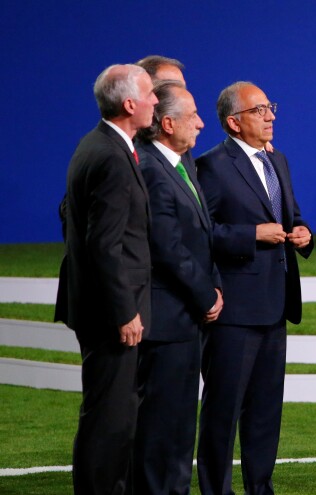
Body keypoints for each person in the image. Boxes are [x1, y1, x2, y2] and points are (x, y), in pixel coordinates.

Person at [196, 81, 314, 494]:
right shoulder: (211, 165)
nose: (271, 117)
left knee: (265, 412)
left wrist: (303, 234)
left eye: (270, 108)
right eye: (260, 110)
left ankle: (260, 488)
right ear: (234, 121)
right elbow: (201, 232)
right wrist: (250, 235)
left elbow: (291, 216)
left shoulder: (277, 159)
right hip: (234, 310)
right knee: (223, 410)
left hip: (275, 304)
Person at [55, 64, 157, 494]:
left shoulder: (95, 145)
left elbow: (69, 217)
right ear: (129, 104)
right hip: (110, 315)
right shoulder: (112, 157)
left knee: (110, 416)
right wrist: (124, 311)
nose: (156, 100)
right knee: (109, 421)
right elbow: (104, 245)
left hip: (98, 307)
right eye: (150, 94)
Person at [133, 80, 223, 494]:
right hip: (168, 321)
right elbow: (166, 246)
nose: (202, 124)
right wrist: (207, 295)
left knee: (181, 425)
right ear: (167, 123)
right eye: (193, 116)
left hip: (186, 321)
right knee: (161, 428)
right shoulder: (151, 168)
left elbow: (201, 238)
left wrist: (212, 289)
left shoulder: (180, 165)